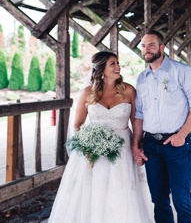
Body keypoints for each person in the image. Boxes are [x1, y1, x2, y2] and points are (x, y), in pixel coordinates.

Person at [48, 51, 152, 222]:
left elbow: (136, 121)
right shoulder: (88, 92)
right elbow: (77, 124)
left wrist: (137, 145)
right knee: (95, 190)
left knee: (121, 190)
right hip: (93, 151)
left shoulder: (129, 91)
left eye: (118, 63)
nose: (118, 67)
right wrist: (86, 144)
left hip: (122, 148)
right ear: (101, 68)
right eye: (113, 64)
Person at [132, 31, 191, 223]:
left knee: (181, 198)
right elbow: (139, 114)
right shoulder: (142, 78)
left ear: (162, 47)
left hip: (176, 144)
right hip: (151, 145)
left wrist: (181, 135)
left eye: (151, 45)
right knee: (159, 199)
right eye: (143, 46)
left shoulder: (182, 71)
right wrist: (136, 144)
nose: (146, 50)